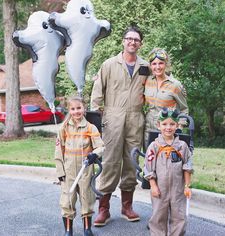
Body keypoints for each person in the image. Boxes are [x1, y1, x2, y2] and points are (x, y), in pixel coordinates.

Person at [90, 26, 150, 226]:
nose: (132, 42)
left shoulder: (146, 66)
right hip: (112, 119)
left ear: (140, 44)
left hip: (135, 119)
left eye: (136, 40)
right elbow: (97, 94)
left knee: (132, 162)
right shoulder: (108, 64)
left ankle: (127, 207)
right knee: (110, 162)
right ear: (123, 41)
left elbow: (153, 91)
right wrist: (96, 122)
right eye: (129, 39)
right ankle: (104, 209)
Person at [54, 96, 105, 236]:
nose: (76, 111)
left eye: (79, 108)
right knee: (67, 201)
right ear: (69, 110)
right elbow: (58, 152)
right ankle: (68, 230)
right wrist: (60, 171)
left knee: (87, 199)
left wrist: (94, 154)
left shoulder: (90, 127)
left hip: (85, 170)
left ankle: (87, 229)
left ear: (84, 108)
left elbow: (100, 146)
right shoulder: (63, 128)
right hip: (68, 171)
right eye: (73, 109)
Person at [144, 108, 193, 236]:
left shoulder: (182, 146)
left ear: (177, 125)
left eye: (172, 124)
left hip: (178, 190)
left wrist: (187, 186)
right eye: (164, 124)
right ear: (158, 125)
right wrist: (153, 186)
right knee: (158, 217)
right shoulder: (154, 147)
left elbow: (187, 167)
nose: (168, 127)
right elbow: (149, 169)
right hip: (160, 190)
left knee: (179, 217)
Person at [144, 48, 188, 150]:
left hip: (168, 131)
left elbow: (184, 109)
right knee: (150, 160)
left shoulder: (175, 85)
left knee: (166, 162)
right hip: (148, 130)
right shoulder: (147, 81)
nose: (157, 67)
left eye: (161, 63)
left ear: (166, 64)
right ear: (151, 66)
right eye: (154, 64)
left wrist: (179, 128)